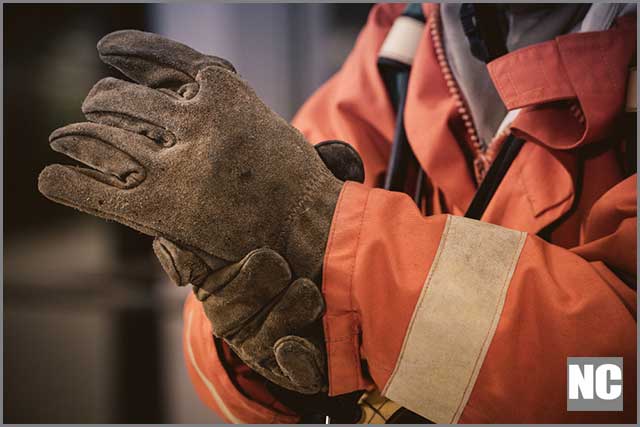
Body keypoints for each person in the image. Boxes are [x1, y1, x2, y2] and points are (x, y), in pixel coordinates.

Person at [39, 2, 637, 424]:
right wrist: (250, 348)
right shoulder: (403, 41)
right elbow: (245, 279)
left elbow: (613, 388)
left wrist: (330, 259)